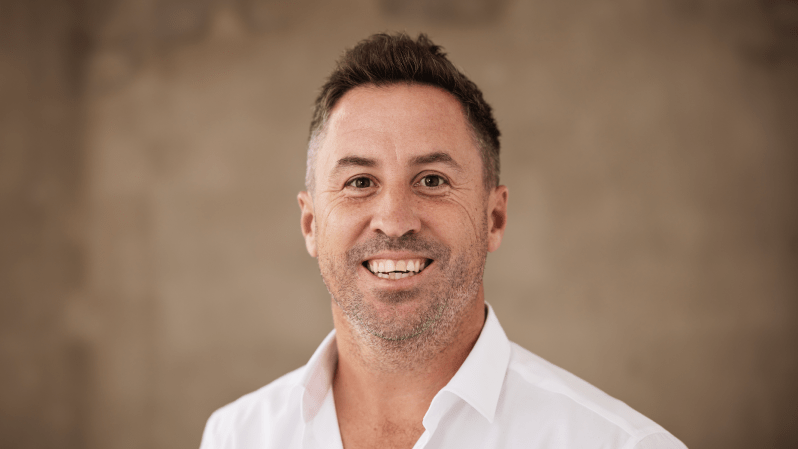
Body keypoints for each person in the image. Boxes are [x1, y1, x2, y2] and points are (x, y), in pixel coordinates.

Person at [199, 32, 687, 449]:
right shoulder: (235, 437)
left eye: (432, 180)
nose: (394, 222)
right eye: (359, 182)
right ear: (310, 224)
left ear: (494, 217)